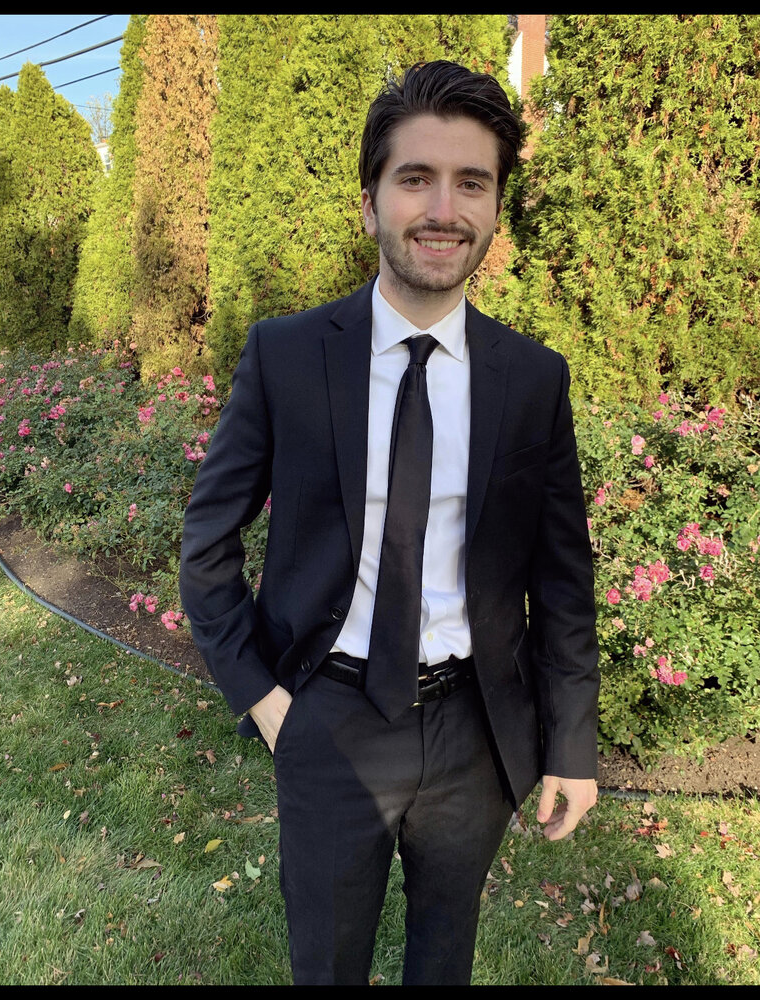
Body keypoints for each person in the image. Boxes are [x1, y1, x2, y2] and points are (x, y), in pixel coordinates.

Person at [179, 60, 600, 986]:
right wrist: (264, 699)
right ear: (368, 204)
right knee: (327, 963)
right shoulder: (287, 356)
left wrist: (570, 746)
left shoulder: (532, 380)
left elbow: (563, 578)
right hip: (327, 717)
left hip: (474, 731)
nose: (443, 209)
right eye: (415, 178)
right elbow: (206, 543)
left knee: (444, 959)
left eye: (471, 182)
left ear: (494, 209)